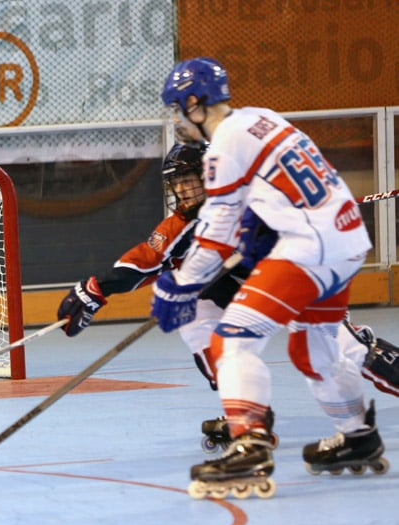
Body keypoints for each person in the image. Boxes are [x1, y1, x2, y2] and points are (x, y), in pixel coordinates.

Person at [57, 142, 399, 453]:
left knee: (346, 350)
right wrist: (95, 289)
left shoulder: (254, 195)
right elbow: (147, 259)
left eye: (188, 180)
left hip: (300, 276)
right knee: (196, 312)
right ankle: (247, 413)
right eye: (176, 184)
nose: (181, 190)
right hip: (247, 289)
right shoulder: (184, 223)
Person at [151, 57, 387, 498]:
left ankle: (249, 445)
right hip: (347, 240)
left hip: (309, 249)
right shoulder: (262, 118)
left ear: (196, 103)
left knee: (232, 339)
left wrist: (180, 283)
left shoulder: (223, 144)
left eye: (178, 108)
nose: (177, 119)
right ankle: (358, 436)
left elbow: (217, 227)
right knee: (312, 350)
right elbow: (295, 179)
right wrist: (261, 222)